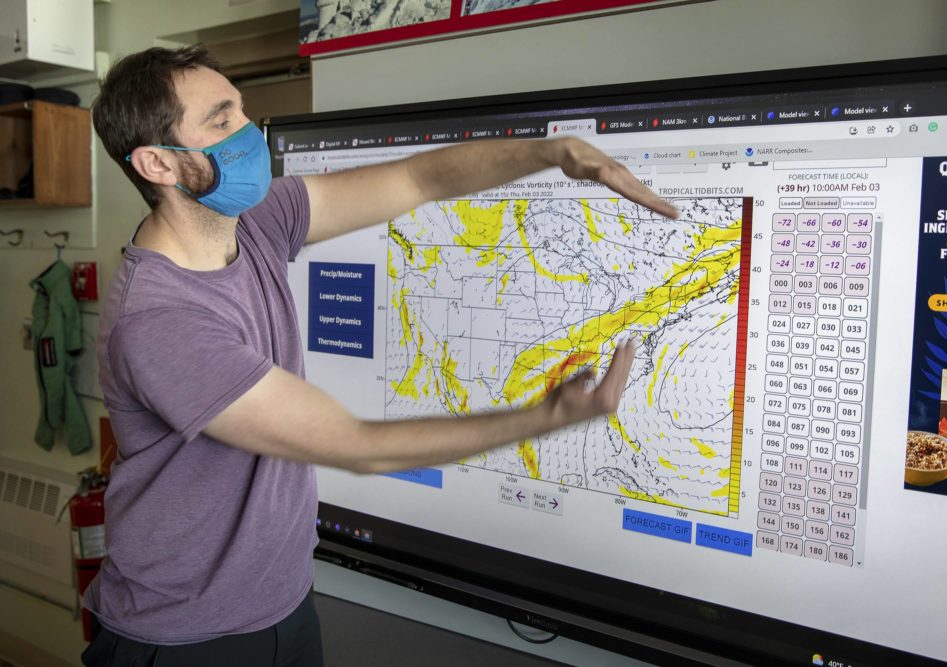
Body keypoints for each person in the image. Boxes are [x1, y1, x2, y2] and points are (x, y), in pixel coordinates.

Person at [82, 44, 677, 666]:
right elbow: (361, 445)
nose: (250, 135)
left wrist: (555, 153)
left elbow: (417, 179)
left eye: (243, 113)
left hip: (282, 606)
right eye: (222, 121)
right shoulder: (159, 322)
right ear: (158, 163)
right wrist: (542, 419)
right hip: (187, 641)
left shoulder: (257, 223)